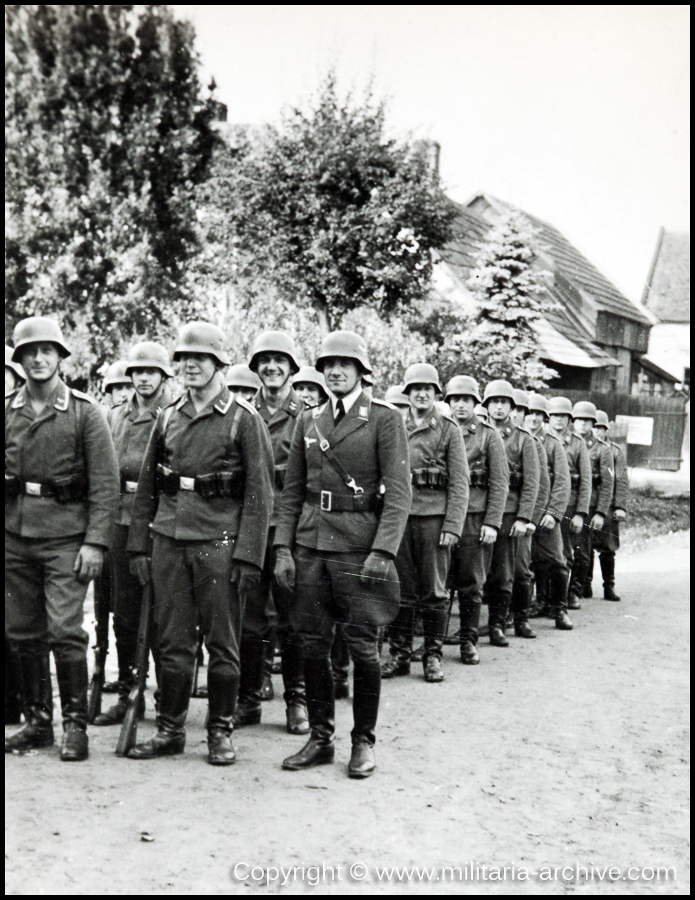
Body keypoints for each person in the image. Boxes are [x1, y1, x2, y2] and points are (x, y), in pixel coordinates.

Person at [125, 321, 273, 765]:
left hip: (219, 544)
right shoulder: (168, 416)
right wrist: (138, 546)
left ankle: (219, 732)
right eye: (185, 359)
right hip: (169, 539)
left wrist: (249, 555)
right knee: (171, 642)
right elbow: (148, 486)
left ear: (218, 365)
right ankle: (170, 729)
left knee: (222, 645)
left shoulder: (244, 420)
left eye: (200, 359)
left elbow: (260, 495)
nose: (190, 365)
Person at [273, 330, 411, 778]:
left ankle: (363, 742)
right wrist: (283, 549)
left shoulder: (385, 419)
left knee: (362, 647)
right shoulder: (307, 419)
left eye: (344, 364)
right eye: (329, 364)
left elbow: (399, 495)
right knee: (312, 644)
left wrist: (384, 551)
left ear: (360, 372)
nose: (335, 370)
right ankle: (320, 738)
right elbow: (292, 492)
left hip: (359, 546)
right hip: (312, 545)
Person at [5, 316, 119, 761]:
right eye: (29, 352)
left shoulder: (84, 412)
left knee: (65, 630)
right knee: (21, 631)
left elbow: (105, 485)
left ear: (59, 357)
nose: (38, 358)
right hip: (15, 535)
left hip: (67, 538)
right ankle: (38, 723)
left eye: (46, 351)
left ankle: (75, 727)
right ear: (19, 360)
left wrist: (96, 542)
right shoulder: (8, 410)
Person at [92, 342, 175, 726]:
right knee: (124, 615)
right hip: (120, 523)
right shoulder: (113, 416)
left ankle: (166, 698)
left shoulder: (172, 416)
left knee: (161, 617)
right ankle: (128, 692)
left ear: (163, 376)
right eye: (137, 371)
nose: (142, 377)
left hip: (159, 524)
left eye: (150, 371)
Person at [233, 331, 309, 735]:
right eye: (264, 361)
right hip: (251, 524)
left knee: (293, 617)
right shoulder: (243, 412)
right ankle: (249, 698)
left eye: (280, 361)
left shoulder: (307, 415)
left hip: (291, 527)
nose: (272, 367)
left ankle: (296, 699)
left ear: (292, 368)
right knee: (249, 616)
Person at [381, 363, 468, 682]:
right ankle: (399, 655)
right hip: (399, 519)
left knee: (434, 591)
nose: (421, 394)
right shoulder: (393, 424)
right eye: (415, 389)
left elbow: (460, 482)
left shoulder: (448, 429)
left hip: (433, 520)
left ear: (435, 394)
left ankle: (432, 656)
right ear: (407, 393)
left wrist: (452, 526)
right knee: (400, 589)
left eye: (427, 389)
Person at [444, 376, 508, 663]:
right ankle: (434, 641)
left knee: (470, 582)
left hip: (474, 517)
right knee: (436, 582)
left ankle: (468, 640)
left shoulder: (488, 435)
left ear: (475, 403)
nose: (460, 404)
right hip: (442, 516)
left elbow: (500, 482)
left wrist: (492, 522)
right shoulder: (442, 430)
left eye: (466, 399)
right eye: (455, 399)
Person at [481, 380, 539, 646]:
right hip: (479, 510)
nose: (499, 407)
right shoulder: (477, 433)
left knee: (505, 572)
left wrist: (523, 517)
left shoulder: (523, 439)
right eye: (494, 402)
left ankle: (498, 625)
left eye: (504, 402)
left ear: (512, 407)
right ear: (487, 405)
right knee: (475, 572)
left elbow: (532, 482)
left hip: (508, 512)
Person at [525, 393, 573, 629]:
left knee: (556, 560)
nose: (533, 418)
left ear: (544, 418)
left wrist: (553, 514)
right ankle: (529, 606)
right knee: (526, 563)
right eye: (529, 413)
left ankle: (560, 609)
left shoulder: (553, 444)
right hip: (523, 514)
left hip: (544, 516)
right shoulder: (520, 439)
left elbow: (562, 483)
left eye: (538, 414)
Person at [509, 389, 551, 639]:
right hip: (494, 513)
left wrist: (531, 519)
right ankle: (500, 617)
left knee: (520, 569)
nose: (516, 415)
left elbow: (541, 485)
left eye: (520, 411)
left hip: (521, 515)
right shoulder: (489, 436)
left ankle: (521, 619)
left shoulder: (531, 442)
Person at [546, 397, 592, 611]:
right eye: (555, 415)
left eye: (563, 416)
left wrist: (581, 513)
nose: (558, 420)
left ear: (569, 419)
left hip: (570, 505)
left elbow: (585, 480)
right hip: (547, 503)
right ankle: (545, 598)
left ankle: (568, 595)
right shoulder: (541, 439)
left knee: (567, 553)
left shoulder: (577, 443)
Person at [569, 401, 614, 606]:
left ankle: (575, 591)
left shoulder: (602, 449)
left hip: (590, 506)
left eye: (587, 421)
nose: (582, 425)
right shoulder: (566, 442)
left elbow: (607, 484)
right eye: (578, 420)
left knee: (582, 550)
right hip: (567, 501)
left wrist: (601, 512)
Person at [589, 410, 628, 601]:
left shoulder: (614, 451)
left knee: (607, 547)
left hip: (609, 506)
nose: (597, 431)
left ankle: (609, 586)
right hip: (588, 503)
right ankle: (584, 584)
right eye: (594, 427)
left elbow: (621, 480)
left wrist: (620, 506)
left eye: (601, 428)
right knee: (585, 545)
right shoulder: (585, 447)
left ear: (606, 430)